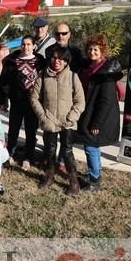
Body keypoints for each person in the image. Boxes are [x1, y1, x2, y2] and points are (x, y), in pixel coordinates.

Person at [30, 45, 85, 196]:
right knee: (49, 150)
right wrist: (43, 117)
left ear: (66, 61)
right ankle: (49, 176)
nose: (57, 61)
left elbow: (80, 101)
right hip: (49, 121)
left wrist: (72, 117)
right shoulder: (42, 76)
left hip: (67, 121)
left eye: (61, 58)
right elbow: (35, 98)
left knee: (67, 152)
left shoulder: (73, 77)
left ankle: (74, 182)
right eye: (54, 57)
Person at [75, 34, 123, 192]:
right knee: (91, 146)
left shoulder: (106, 71)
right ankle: (95, 174)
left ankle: (94, 181)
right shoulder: (87, 67)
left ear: (102, 51)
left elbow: (106, 101)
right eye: (89, 49)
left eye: (95, 49)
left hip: (98, 115)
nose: (92, 52)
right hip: (87, 111)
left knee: (91, 146)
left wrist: (97, 123)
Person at [0, 35, 45, 171]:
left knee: (31, 131)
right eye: (24, 44)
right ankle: (10, 154)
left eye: (29, 44)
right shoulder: (13, 60)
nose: (26, 47)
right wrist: (5, 99)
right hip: (16, 100)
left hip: (33, 101)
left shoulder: (40, 61)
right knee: (13, 129)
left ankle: (28, 157)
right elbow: (5, 81)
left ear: (34, 46)